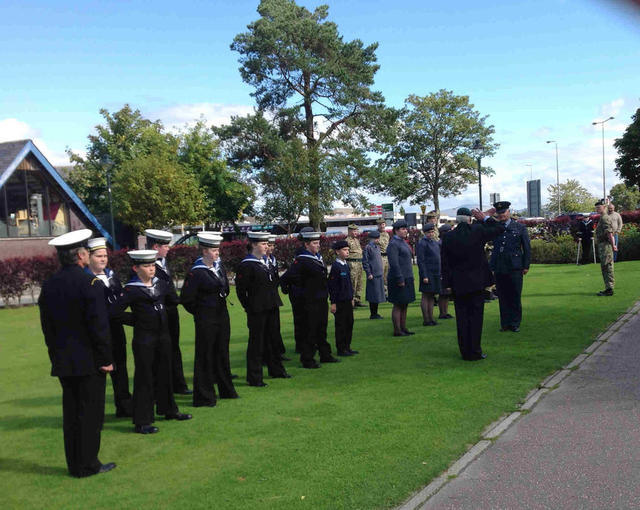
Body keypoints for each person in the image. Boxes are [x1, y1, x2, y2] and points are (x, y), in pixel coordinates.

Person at [38, 229, 116, 477]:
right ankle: (89, 464)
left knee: (71, 414)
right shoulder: (90, 283)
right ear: (81, 256)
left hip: (63, 360)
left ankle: (75, 463)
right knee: (90, 414)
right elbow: (98, 326)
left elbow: (47, 328)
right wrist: (106, 359)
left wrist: (55, 355)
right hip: (89, 361)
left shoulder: (49, 285)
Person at [115, 250, 192, 434]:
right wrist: (136, 320)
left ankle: (168, 410)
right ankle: (142, 420)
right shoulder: (131, 289)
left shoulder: (160, 284)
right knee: (145, 378)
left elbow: (173, 300)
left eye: (152, 265)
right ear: (136, 268)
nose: (151, 269)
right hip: (144, 339)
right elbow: (114, 312)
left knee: (165, 373)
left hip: (163, 336)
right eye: (147, 266)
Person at [181, 233, 238, 406]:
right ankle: (204, 396)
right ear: (204, 251)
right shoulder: (197, 272)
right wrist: (201, 313)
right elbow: (186, 299)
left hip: (221, 316)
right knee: (205, 356)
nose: (217, 253)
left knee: (222, 353)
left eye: (217, 249)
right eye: (213, 250)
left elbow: (225, 288)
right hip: (206, 319)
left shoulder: (218, 267)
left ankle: (226, 390)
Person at [442, 207, 504, 361]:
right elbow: (500, 228)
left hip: (458, 283)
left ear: (457, 220)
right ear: (470, 219)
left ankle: (464, 351)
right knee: (476, 318)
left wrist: (447, 283)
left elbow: (445, 262)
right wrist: (485, 218)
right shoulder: (477, 231)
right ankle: (475, 350)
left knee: (461, 318)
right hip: (477, 282)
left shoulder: (449, 237)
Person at [85, 237, 133, 418]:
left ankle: (125, 407)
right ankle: (96, 414)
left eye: (105, 255)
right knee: (99, 375)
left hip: (116, 330)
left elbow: (120, 298)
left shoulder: (111, 276)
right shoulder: (87, 279)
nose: (103, 259)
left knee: (121, 370)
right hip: (98, 333)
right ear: (89, 257)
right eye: (98, 256)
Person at [236, 232, 291, 386]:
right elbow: (241, 291)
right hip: (257, 309)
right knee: (257, 343)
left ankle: (277, 370)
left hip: (272, 306)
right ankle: (254, 377)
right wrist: (249, 307)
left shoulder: (266, 261)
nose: (267, 247)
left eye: (267, 244)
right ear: (253, 245)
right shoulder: (247, 264)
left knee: (273, 340)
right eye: (263, 244)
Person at [280, 231, 340, 368]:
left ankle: (325, 354)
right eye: (314, 243)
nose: (317, 245)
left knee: (321, 328)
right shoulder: (301, 260)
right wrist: (297, 294)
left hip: (321, 299)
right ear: (306, 244)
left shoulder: (317, 257)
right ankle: (307, 359)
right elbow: (286, 278)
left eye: (318, 243)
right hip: (309, 301)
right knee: (310, 331)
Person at [145, 229, 191, 395]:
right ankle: (164, 387)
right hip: (160, 313)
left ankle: (178, 384)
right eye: (165, 245)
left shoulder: (163, 263)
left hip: (171, 313)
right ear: (156, 246)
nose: (168, 248)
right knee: (162, 352)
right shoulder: (147, 267)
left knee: (174, 349)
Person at [489, 201, 531, 333]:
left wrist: (526, 265)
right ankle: (505, 323)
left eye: (504, 212)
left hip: (515, 266)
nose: (501, 215)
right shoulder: (495, 228)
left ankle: (515, 323)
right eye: (499, 213)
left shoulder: (519, 227)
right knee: (502, 296)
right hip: (500, 266)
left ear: (509, 212)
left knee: (514, 295)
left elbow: (526, 248)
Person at [280, 227, 315, 354]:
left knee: (305, 320)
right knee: (301, 320)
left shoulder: (305, 251)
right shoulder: (302, 253)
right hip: (299, 292)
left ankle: (306, 344)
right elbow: (290, 275)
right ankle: (301, 346)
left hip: (303, 291)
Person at [387, 219, 416, 336]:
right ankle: (397, 330)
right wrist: (400, 278)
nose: (406, 231)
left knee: (405, 303)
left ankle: (403, 328)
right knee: (398, 304)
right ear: (396, 231)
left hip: (407, 276)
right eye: (403, 229)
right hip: (398, 278)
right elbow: (394, 263)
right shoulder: (393, 244)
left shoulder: (403, 242)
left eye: (406, 228)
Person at [328, 240, 357, 356]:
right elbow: (333, 286)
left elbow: (348, 284)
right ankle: (341, 348)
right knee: (341, 325)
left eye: (348, 250)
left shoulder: (345, 265)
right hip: (340, 301)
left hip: (347, 299)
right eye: (344, 250)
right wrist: (333, 302)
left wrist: (352, 298)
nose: (347, 252)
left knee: (349, 323)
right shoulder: (336, 267)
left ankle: (347, 346)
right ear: (337, 251)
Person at [265, 235, 289, 361]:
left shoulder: (272, 259)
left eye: (273, 245)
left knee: (275, 326)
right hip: (265, 299)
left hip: (274, 297)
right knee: (267, 328)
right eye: (269, 245)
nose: (271, 248)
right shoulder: (262, 261)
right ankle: (269, 354)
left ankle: (278, 352)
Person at [417, 223, 441, 326]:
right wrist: (424, 275)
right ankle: (426, 319)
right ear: (424, 233)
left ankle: (431, 318)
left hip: (435, 272)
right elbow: (421, 261)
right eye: (428, 232)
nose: (431, 234)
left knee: (432, 296)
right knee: (426, 295)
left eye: (432, 232)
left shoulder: (434, 243)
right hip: (428, 272)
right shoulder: (422, 243)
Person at [595, 200, 617, 296]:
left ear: (604, 207)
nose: (597, 209)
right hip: (602, 245)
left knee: (607, 267)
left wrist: (613, 245)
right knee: (604, 267)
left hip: (606, 246)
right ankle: (608, 288)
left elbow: (609, 233)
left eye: (599, 207)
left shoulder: (605, 218)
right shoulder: (602, 218)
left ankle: (609, 289)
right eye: (596, 208)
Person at [362, 230, 385, 320]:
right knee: (373, 295)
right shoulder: (368, 248)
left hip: (379, 274)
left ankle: (376, 313)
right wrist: (369, 273)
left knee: (378, 295)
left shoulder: (377, 247)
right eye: (376, 238)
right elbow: (365, 261)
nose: (377, 240)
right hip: (373, 275)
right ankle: (373, 314)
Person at [437, 224, 454, 320]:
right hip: (442, 270)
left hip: (448, 269)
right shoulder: (440, 243)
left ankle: (445, 312)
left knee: (447, 294)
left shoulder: (447, 242)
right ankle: (442, 313)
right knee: (442, 293)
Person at [346, 224, 365, 307]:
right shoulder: (347, 241)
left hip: (359, 263)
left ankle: (357, 299)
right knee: (353, 282)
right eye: (354, 231)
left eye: (356, 230)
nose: (356, 232)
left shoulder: (356, 240)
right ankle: (351, 301)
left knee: (359, 282)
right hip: (352, 263)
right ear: (349, 231)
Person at [376, 218, 390, 294]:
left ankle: (386, 292)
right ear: (377, 225)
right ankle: (380, 292)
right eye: (380, 224)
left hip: (387, 257)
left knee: (386, 276)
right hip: (379, 256)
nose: (382, 226)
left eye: (383, 224)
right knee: (380, 275)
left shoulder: (386, 234)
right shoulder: (375, 234)